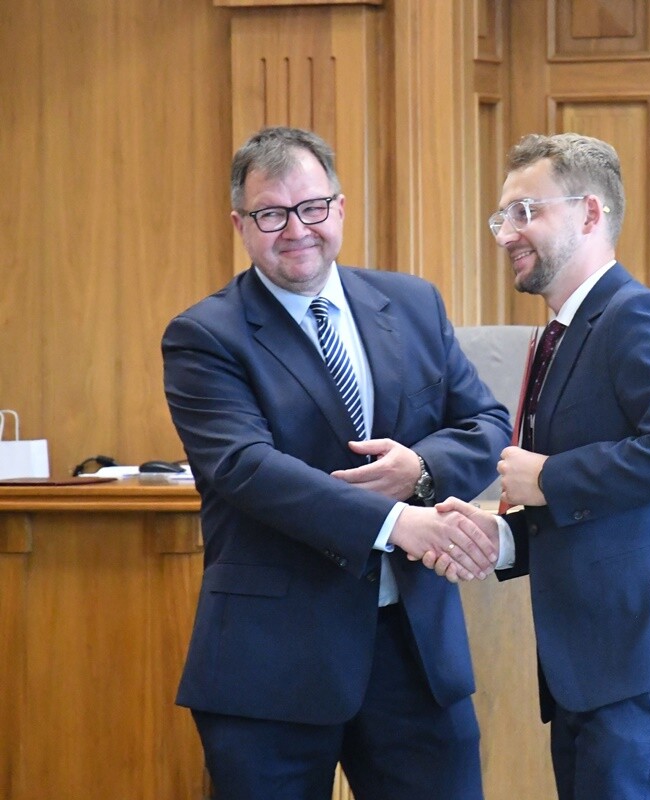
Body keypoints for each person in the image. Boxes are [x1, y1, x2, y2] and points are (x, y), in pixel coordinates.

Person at [161, 126, 510, 800]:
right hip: (272, 665)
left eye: (312, 207)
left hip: (415, 656)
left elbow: (489, 423)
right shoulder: (205, 335)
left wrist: (421, 468)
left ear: (340, 209)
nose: (297, 230)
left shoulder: (413, 304)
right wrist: (397, 523)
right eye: (271, 214)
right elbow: (246, 467)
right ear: (240, 225)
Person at [431, 133, 650, 800]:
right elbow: (596, 508)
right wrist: (502, 539)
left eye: (526, 212)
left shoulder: (639, 315)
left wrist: (549, 477)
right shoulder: (566, 333)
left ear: (590, 213)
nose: (506, 234)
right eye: (502, 216)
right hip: (594, 671)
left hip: (646, 663)